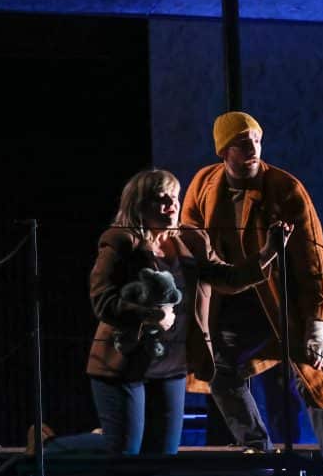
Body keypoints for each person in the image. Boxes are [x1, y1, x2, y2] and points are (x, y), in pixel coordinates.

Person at [39, 169, 287, 456]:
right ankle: (48, 447)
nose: (172, 204)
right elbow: (102, 302)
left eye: (175, 197)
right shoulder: (121, 242)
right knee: (122, 449)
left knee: (162, 456)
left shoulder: (191, 241)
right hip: (124, 363)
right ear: (140, 205)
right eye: (162, 199)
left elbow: (228, 278)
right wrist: (150, 315)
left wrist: (268, 252)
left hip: (171, 368)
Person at [181, 111, 323, 476]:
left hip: (286, 304)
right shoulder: (204, 184)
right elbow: (190, 235)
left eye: (257, 140)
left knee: (317, 380)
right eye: (243, 143)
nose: (253, 148)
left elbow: (313, 262)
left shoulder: (285, 188)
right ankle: (258, 452)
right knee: (220, 369)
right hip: (236, 303)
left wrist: (317, 325)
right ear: (223, 151)